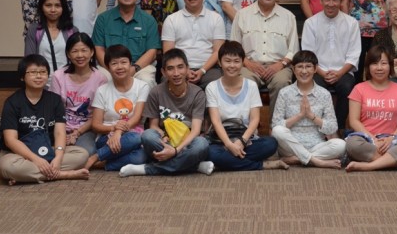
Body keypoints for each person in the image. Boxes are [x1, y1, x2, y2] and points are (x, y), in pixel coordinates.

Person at [119, 49, 213, 177]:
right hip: (165, 140)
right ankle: (194, 165)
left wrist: (175, 151)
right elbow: (153, 125)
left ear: (187, 69)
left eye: (180, 67)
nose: (176, 73)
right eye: (170, 69)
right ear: (163, 72)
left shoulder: (198, 94)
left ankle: (147, 169)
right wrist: (164, 138)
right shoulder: (156, 92)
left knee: (202, 144)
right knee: (147, 136)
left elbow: (196, 130)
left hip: (188, 142)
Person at [0, 55, 89, 185]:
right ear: (22, 77)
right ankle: (63, 175)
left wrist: (58, 157)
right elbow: (10, 140)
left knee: (82, 154)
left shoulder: (55, 100)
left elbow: (59, 133)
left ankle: (25, 176)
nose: (39, 76)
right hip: (19, 154)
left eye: (43, 72)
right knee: (7, 166)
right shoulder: (12, 102)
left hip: (47, 148)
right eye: (33, 72)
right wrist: (36, 160)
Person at [205, 41, 288, 171]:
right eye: (227, 61)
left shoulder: (251, 85)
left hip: (246, 139)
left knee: (271, 144)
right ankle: (262, 165)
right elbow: (215, 121)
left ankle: (226, 163)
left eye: (236, 61)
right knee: (210, 152)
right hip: (221, 141)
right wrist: (229, 144)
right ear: (220, 63)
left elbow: (255, 119)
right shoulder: (212, 87)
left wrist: (241, 142)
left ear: (242, 62)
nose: (232, 65)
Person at [231, 0, 299, 117]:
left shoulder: (288, 17)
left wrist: (280, 64)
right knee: (244, 82)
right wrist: (247, 63)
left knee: (281, 83)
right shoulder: (242, 15)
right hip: (249, 66)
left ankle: (276, 127)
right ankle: (248, 127)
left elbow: (293, 50)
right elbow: (234, 49)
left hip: (279, 66)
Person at [345, 45, 397, 172]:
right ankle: (395, 162)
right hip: (366, 139)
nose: (379, 68)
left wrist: (391, 138)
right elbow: (354, 121)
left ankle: (368, 166)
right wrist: (373, 139)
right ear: (368, 67)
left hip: (393, 140)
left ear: (390, 66)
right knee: (352, 144)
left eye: (383, 63)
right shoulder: (359, 89)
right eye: (374, 63)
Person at [301, 0, 360, 132]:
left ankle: (337, 128)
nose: (331, 4)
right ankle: (317, 129)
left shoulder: (351, 23)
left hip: (343, 71)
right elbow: (308, 55)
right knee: (315, 86)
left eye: (335, 0)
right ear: (321, 0)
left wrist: (339, 73)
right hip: (318, 71)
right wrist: (321, 72)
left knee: (347, 87)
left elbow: (354, 55)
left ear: (341, 1)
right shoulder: (311, 23)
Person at [271, 51, 346, 169]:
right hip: (290, 146)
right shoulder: (284, 93)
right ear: (293, 69)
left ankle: (297, 159)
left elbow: (332, 127)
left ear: (315, 69)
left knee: (341, 145)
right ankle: (317, 161)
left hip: (317, 145)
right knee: (277, 130)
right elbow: (275, 124)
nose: (304, 71)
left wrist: (312, 116)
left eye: (308, 67)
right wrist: (299, 115)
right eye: (300, 67)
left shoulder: (324, 94)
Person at [85, 45, 148, 171]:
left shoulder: (142, 86)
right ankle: (103, 156)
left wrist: (119, 132)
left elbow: (136, 118)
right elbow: (96, 125)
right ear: (108, 67)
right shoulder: (102, 90)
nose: (119, 67)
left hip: (132, 134)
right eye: (114, 63)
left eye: (124, 62)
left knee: (142, 156)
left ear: (131, 64)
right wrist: (114, 129)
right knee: (136, 139)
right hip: (107, 138)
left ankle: (99, 159)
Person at [92, 0, 161, 87]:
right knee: (101, 79)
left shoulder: (148, 20)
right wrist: (112, 68)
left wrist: (134, 69)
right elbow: (98, 49)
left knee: (146, 80)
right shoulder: (103, 19)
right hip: (109, 67)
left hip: (139, 67)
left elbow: (152, 52)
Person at [162, 0, 225, 89]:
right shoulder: (171, 19)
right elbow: (169, 52)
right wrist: (184, 71)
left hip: (209, 69)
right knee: (166, 80)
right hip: (178, 69)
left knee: (218, 83)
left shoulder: (216, 18)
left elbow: (218, 51)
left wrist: (202, 71)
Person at [50, 32, 108, 155]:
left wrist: (77, 132)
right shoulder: (58, 76)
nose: (80, 55)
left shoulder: (100, 79)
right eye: (75, 51)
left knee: (87, 152)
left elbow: (98, 115)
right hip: (60, 126)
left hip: (86, 128)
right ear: (68, 54)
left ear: (92, 52)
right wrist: (62, 133)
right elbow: (54, 109)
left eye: (84, 50)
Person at [24, 0, 78, 86]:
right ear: (41, 7)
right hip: (42, 85)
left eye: (57, 5)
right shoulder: (34, 30)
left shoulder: (72, 30)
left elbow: (77, 59)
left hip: (67, 85)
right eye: (48, 5)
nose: (53, 10)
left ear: (63, 8)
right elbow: (29, 60)